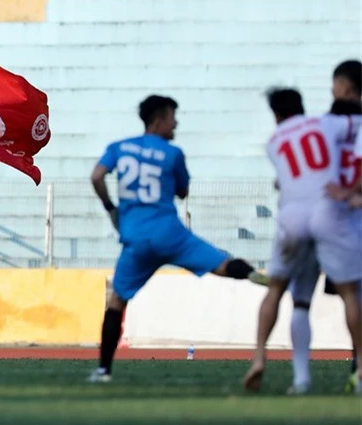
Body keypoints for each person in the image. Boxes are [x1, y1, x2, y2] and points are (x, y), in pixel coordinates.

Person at [87, 95, 267, 383]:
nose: (176, 123)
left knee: (118, 303)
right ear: (158, 120)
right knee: (221, 264)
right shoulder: (172, 153)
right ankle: (256, 276)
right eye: (172, 117)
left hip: (137, 238)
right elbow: (182, 192)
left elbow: (96, 176)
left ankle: (103, 370)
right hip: (171, 234)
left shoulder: (119, 148)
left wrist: (111, 208)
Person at [243, 88, 362, 394]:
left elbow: (285, 178)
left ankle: (266, 361)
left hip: (292, 216)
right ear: (302, 106)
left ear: (276, 115)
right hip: (327, 210)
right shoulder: (323, 124)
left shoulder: (273, 142)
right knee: (350, 294)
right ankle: (361, 368)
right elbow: (354, 126)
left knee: (282, 294)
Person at [289, 60, 362, 393]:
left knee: (298, 296)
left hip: (320, 215)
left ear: (344, 86)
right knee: (354, 298)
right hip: (349, 218)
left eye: (335, 84)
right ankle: (357, 370)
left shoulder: (320, 127)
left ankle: (302, 378)